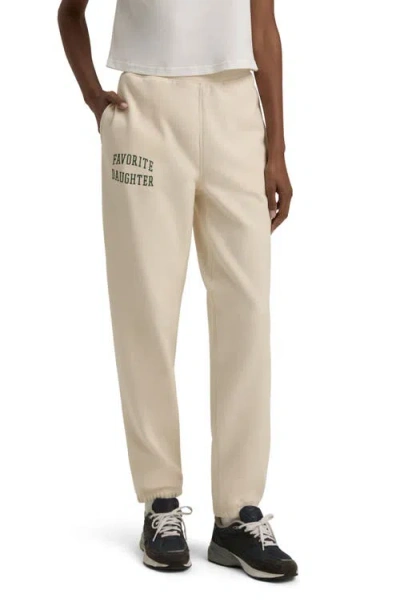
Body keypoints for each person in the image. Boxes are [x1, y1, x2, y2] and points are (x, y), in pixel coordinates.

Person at [58, 0, 297, 580]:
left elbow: (263, 28)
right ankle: (159, 500)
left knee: (247, 311)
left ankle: (238, 513)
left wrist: (277, 147)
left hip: (235, 106)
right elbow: (70, 13)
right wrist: (93, 98)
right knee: (146, 310)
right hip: (145, 110)